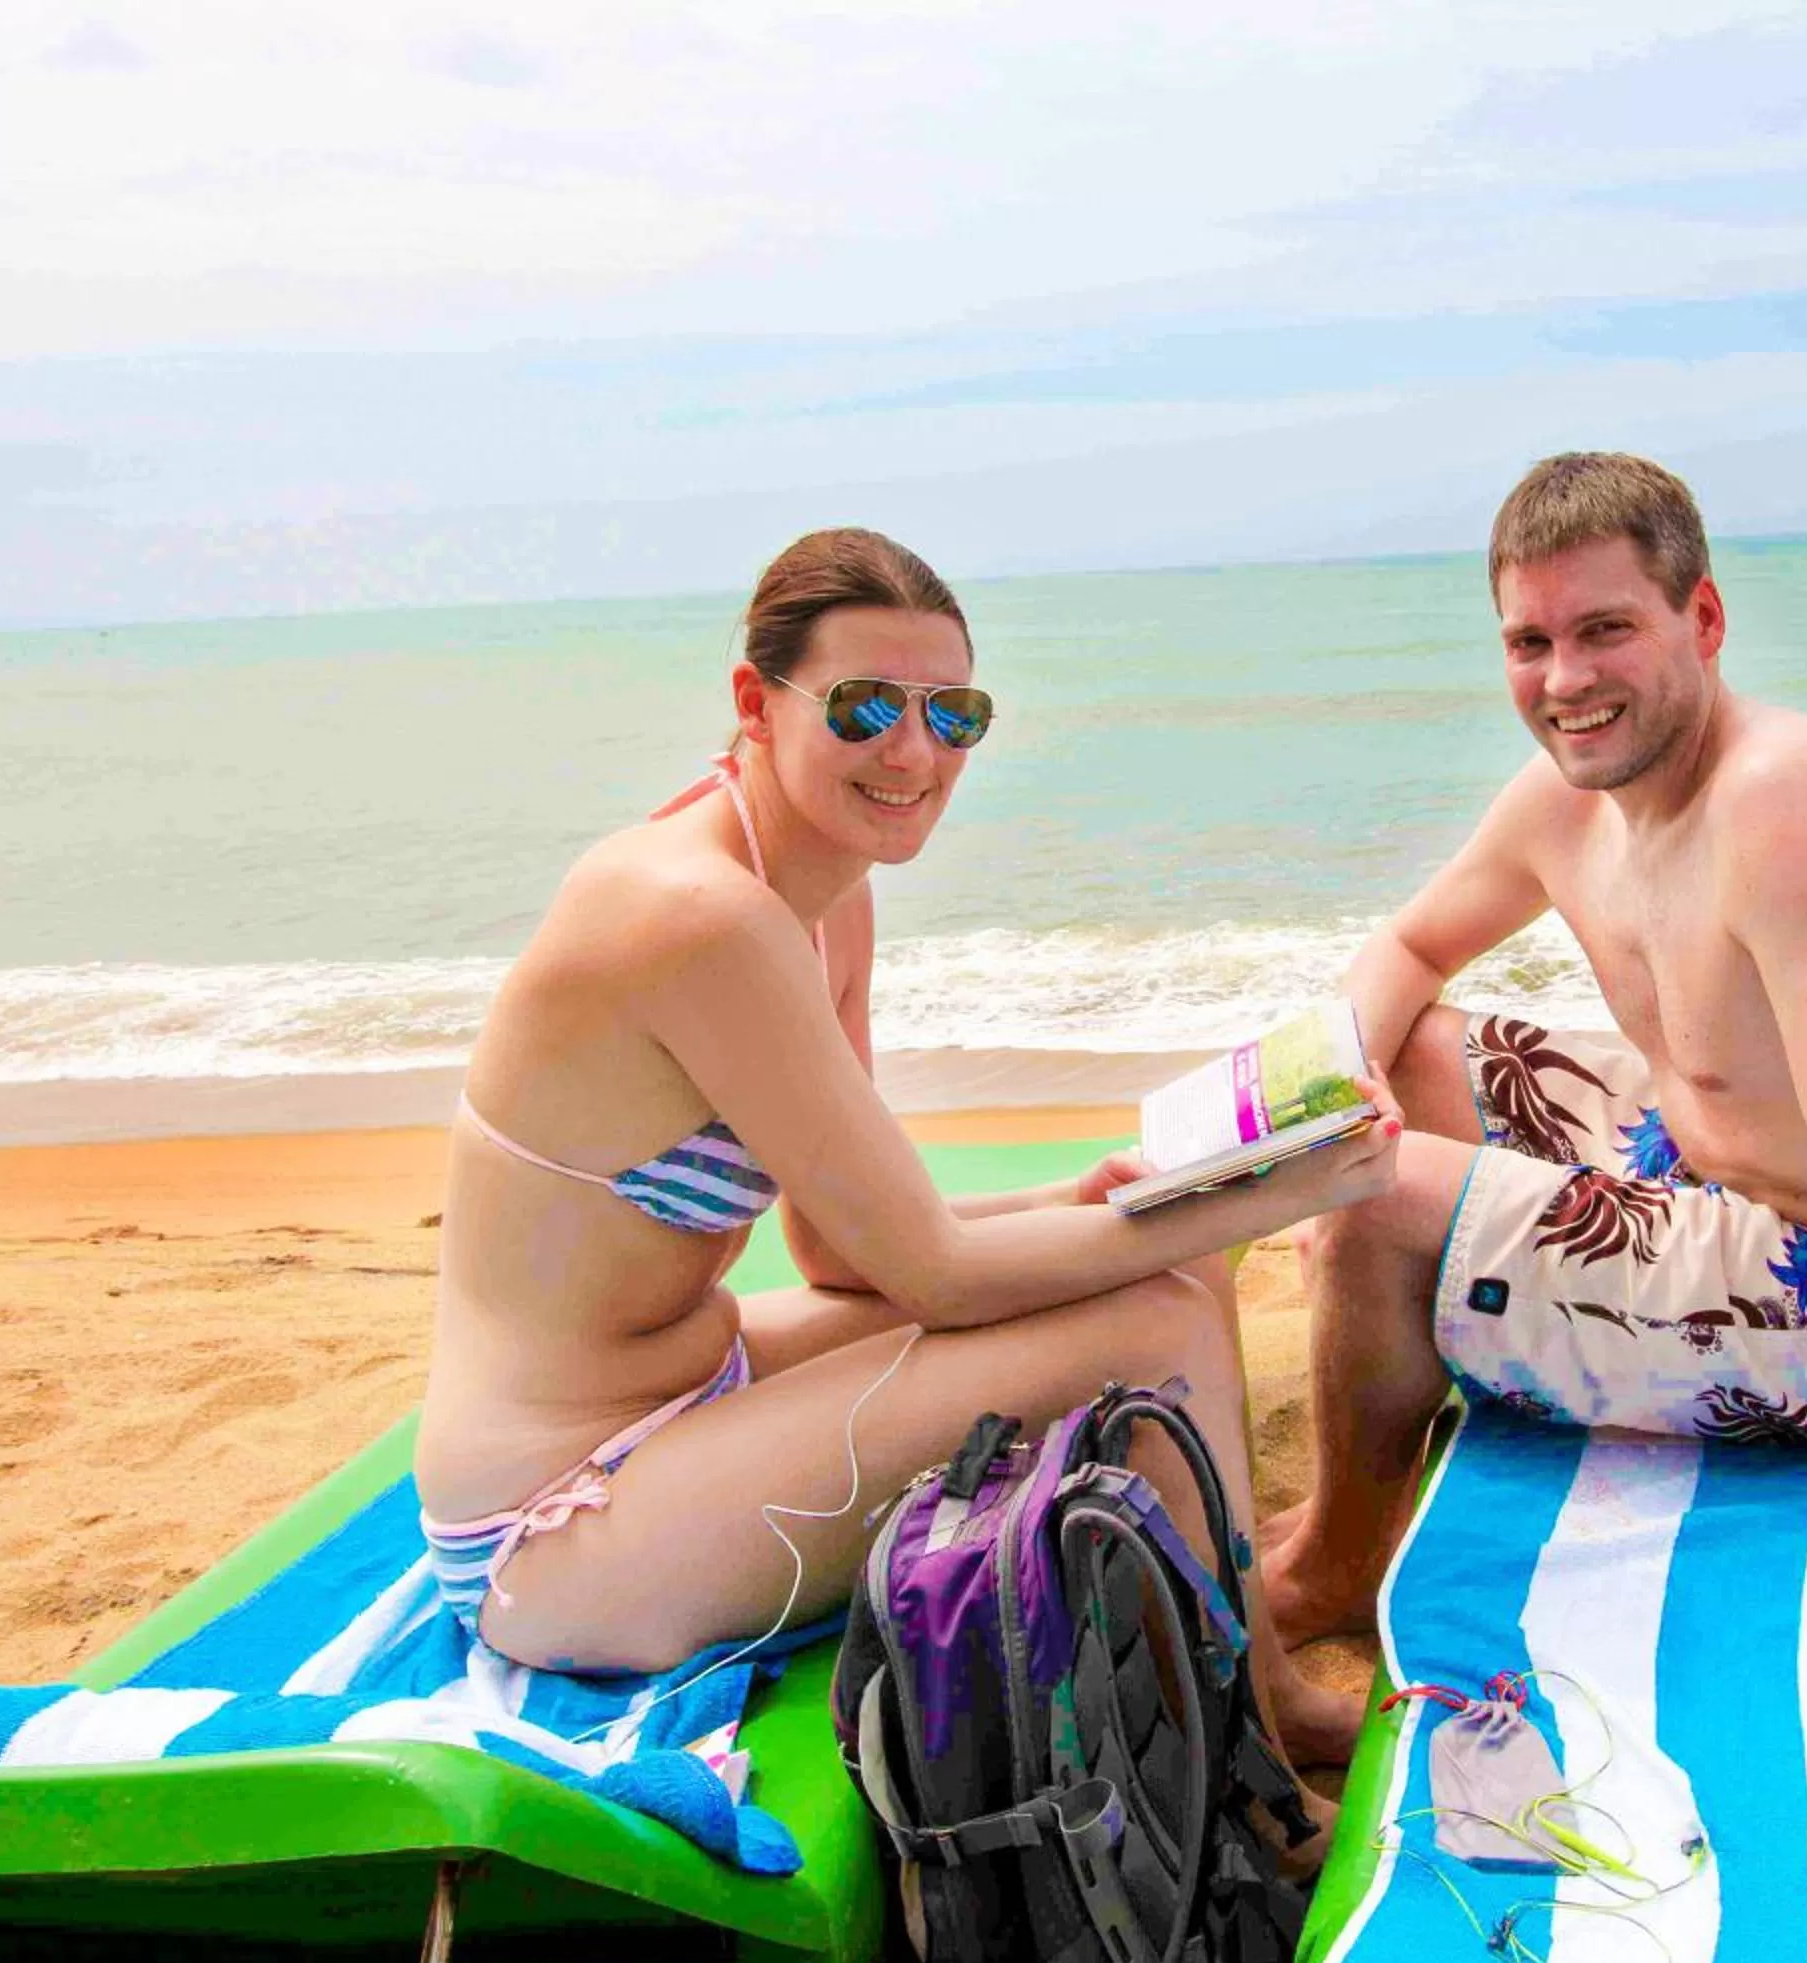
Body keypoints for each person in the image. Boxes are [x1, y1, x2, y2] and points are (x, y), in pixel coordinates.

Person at [414, 526, 1384, 1771]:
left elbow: (834, 1249)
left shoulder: (822, 894)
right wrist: (1273, 1195)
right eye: (866, 705)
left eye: (954, 713)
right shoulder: (699, 916)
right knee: (1151, 1318)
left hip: (686, 1392)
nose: (915, 752)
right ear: (754, 703)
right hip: (554, 1522)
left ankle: (1261, 1687)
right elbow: (930, 1279)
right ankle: (1244, 1764)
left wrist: (1085, 1199)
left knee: (1170, 1271)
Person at [1257, 454, 1807, 1779]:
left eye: (1606, 630)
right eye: (1532, 642)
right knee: (1413, 1064)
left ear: (1704, 623)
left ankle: (1332, 1568)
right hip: (1711, 1179)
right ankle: (1408, 1368)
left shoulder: (1785, 797)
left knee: (1374, 1193)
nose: (1565, 681)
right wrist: (1298, 1102)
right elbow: (1408, 948)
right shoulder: (1567, 799)